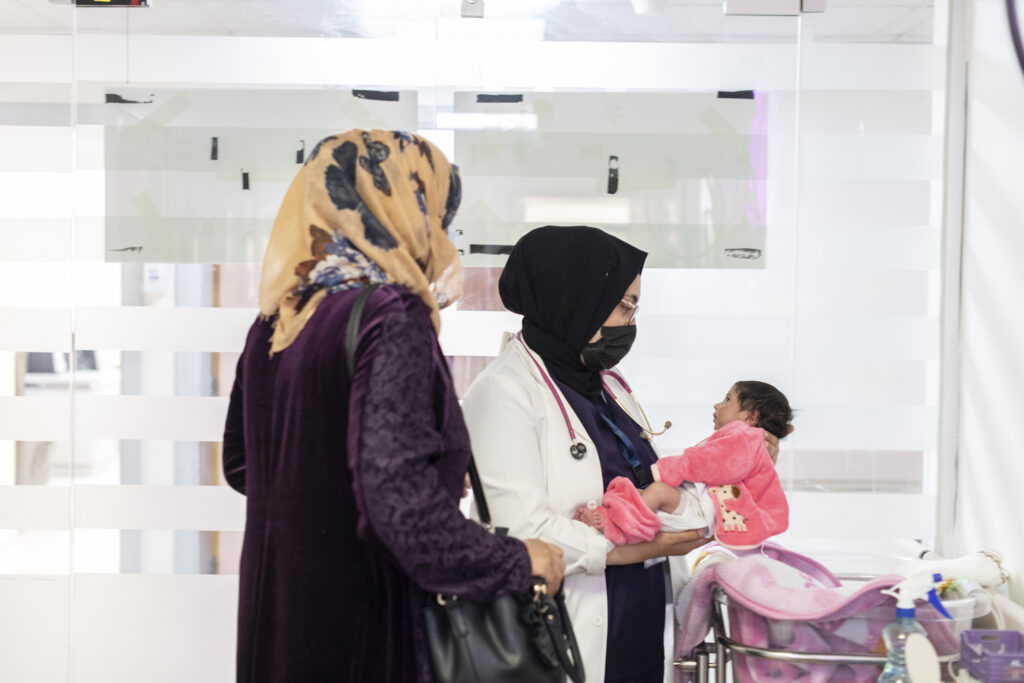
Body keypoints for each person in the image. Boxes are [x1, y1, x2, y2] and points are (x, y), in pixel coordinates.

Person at [221, 130, 565, 683]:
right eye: (438, 215)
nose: (440, 236)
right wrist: (519, 561)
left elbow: (243, 466)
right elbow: (401, 508)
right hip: (363, 628)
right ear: (403, 210)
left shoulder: (280, 319)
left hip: (280, 619)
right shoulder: (390, 315)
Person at [461, 225, 716, 683]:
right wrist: (649, 544)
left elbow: (667, 491)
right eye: (623, 305)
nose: (630, 322)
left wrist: (684, 509)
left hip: (637, 623)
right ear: (574, 298)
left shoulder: (608, 387)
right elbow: (521, 532)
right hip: (561, 632)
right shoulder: (503, 393)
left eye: (635, 306)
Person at [575, 381, 794, 550]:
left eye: (728, 400)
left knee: (658, 491)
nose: (718, 405)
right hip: (708, 505)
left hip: (707, 508)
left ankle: (613, 524)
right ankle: (614, 515)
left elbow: (707, 463)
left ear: (751, 417)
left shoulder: (743, 437)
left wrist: (669, 469)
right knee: (645, 495)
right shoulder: (749, 441)